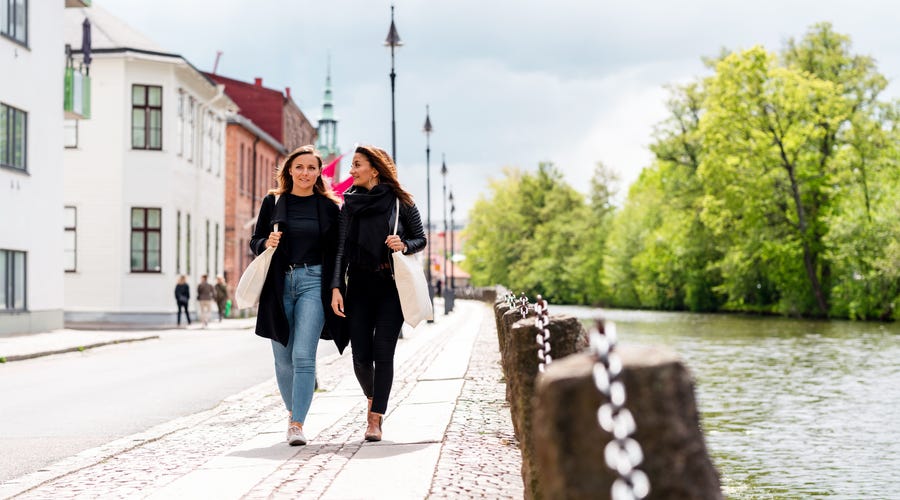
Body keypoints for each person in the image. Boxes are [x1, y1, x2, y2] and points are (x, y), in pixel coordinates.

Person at [330, 145, 427, 442]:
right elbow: (341, 250)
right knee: (360, 355)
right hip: (358, 286)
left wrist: (405, 244)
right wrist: (336, 286)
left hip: (390, 287)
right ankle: (373, 398)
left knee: (383, 353)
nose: (351, 171)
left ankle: (375, 418)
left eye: (357, 165)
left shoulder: (401, 202)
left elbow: (420, 238)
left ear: (375, 168)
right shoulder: (350, 206)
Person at [250, 145, 345, 446]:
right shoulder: (273, 201)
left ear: (319, 173)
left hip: (313, 283)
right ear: (289, 170)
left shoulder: (329, 207)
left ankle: (296, 424)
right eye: (300, 167)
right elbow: (255, 241)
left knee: (304, 356)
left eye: (312, 168)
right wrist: (267, 241)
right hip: (279, 284)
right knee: (283, 359)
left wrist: (335, 289)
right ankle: (294, 410)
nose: (305, 173)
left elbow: (338, 253)